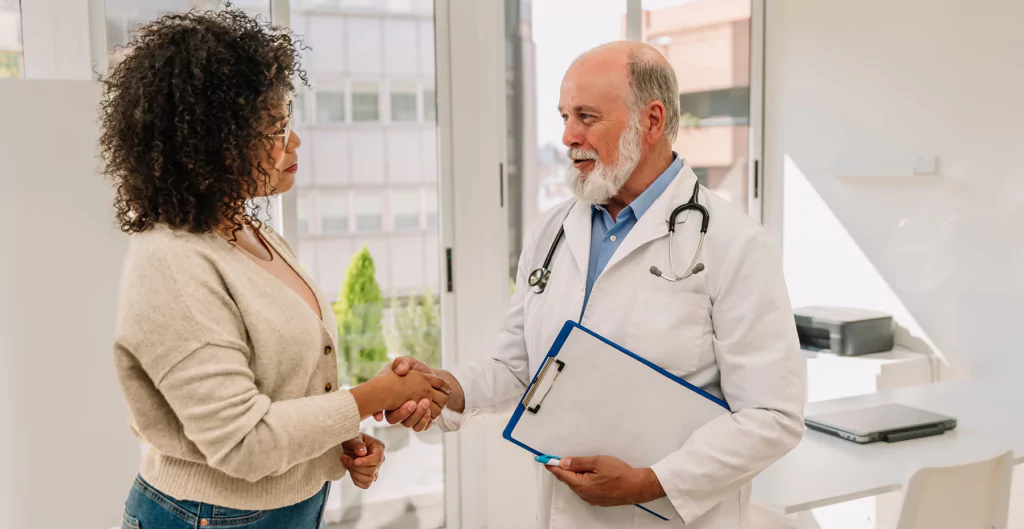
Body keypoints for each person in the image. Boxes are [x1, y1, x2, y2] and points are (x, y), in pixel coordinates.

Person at [380, 41, 806, 528]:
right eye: (564, 116)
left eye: (586, 116)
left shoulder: (735, 244)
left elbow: (772, 416)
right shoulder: (552, 232)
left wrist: (652, 481)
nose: (567, 135)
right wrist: (445, 388)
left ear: (651, 121)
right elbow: (521, 366)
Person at [101, 9, 449, 529]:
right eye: (275, 128)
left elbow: (276, 388)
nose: (294, 142)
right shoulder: (173, 264)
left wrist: (335, 438)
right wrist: (374, 397)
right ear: (211, 145)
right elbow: (243, 441)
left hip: (282, 507)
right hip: (206, 516)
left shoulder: (252, 233)